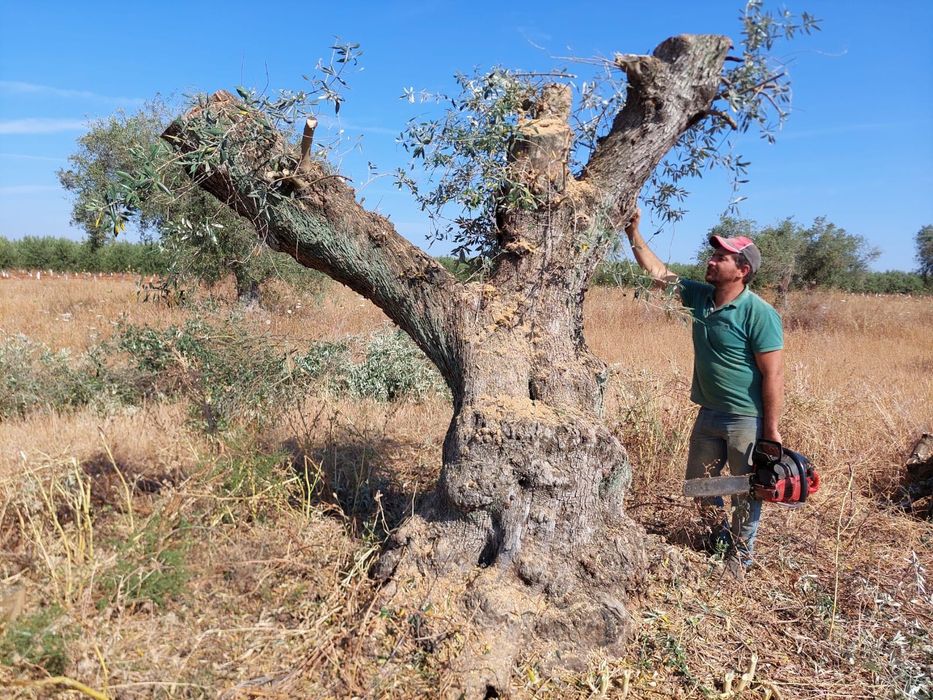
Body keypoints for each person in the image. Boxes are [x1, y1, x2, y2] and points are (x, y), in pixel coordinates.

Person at [623, 208, 784, 581]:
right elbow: (659, 273)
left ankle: (739, 561)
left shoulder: (758, 313)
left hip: (746, 417)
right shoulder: (701, 297)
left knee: (746, 489)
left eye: (721, 257)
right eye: (713, 255)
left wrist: (771, 431)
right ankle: (717, 539)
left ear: (742, 270)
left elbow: (773, 374)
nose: (711, 261)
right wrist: (634, 232)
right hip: (709, 413)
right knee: (700, 485)